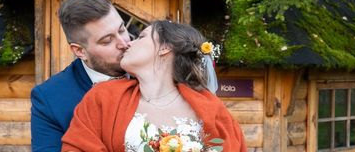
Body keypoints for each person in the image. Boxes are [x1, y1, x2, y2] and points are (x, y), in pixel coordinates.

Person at [61, 20, 248, 152]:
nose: (128, 44)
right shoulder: (102, 97)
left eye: (141, 37)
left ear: (165, 47)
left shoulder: (213, 109)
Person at [30, 0, 131, 151]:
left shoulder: (154, 68)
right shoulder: (49, 98)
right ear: (79, 51)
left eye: (122, 29)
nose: (123, 43)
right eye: (107, 41)